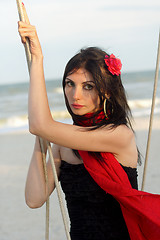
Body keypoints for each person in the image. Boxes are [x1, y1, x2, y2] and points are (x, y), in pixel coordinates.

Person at [18, 3, 160, 240]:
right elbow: (34, 199)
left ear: (106, 92)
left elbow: (39, 124)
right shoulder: (63, 143)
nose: (75, 95)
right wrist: (42, 141)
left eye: (88, 87)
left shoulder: (118, 135)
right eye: (69, 84)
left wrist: (38, 58)